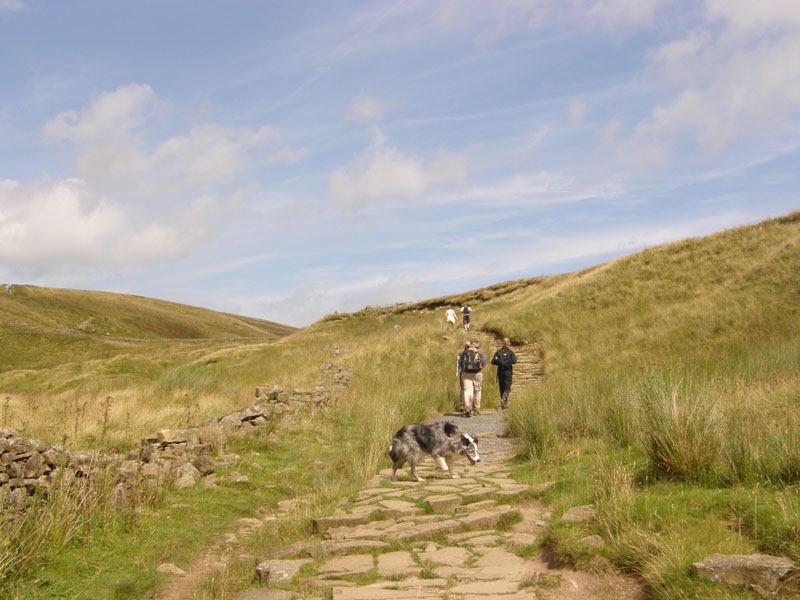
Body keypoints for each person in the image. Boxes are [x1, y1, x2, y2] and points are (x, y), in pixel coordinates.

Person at [457, 338, 487, 417]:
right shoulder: (480, 351)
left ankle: (468, 408)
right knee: (477, 390)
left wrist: (462, 369)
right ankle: (476, 409)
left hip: (466, 373)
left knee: (467, 390)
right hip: (477, 373)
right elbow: (484, 362)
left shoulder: (464, 351)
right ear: (477, 344)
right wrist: (480, 367)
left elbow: (459, 362)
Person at [491, 337, 517, 409]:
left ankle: (504, 403)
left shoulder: (498, 352)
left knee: (501, 387)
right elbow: (514, 361)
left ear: (503, 343)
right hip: (508, 371)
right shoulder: (510, 352)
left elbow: (492, 362)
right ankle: (505, 398)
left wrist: (499, 363)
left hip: (500, 371)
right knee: (507, 387)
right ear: (508, 344)